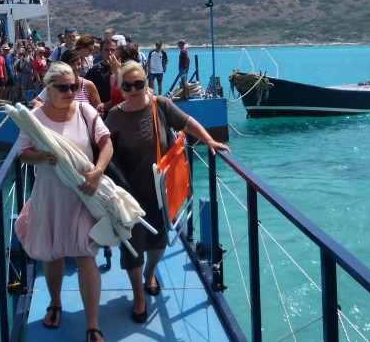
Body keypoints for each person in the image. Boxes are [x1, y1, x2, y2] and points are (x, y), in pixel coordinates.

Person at [104, 61, 230, 325]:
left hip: (161, 191)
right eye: (128, 85)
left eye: (139, 84)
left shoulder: (160, 104)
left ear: (146, 83)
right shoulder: (115, 115)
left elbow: (187, 122)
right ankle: (139, 295)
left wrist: (208, 139)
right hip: (128, 193)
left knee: (159, 241)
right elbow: (103, 148)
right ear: (121, 89)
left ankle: (150, 272)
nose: (135, 90)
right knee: (132, 247)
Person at [16, 62, 111, 342]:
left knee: (85, 254)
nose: (71, 92)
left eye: (74, 87)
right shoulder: (35, 118)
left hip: (83, 193)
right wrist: (43, 157)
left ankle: (92, 321)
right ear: (49, 88)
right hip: (50, 195)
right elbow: (23, 153)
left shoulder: (85, 111)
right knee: (54, 252)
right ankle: (55, 302)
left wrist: (98, 171)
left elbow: (106, 143)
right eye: (64, 88)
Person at [84, 38, 118, 115]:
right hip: (102, 112)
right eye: (106, 50)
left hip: (120, 112)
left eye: (113, 50)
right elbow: (85, 91)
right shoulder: (94, 70)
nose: (110, 53)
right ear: (100, 51)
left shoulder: (123, 68)